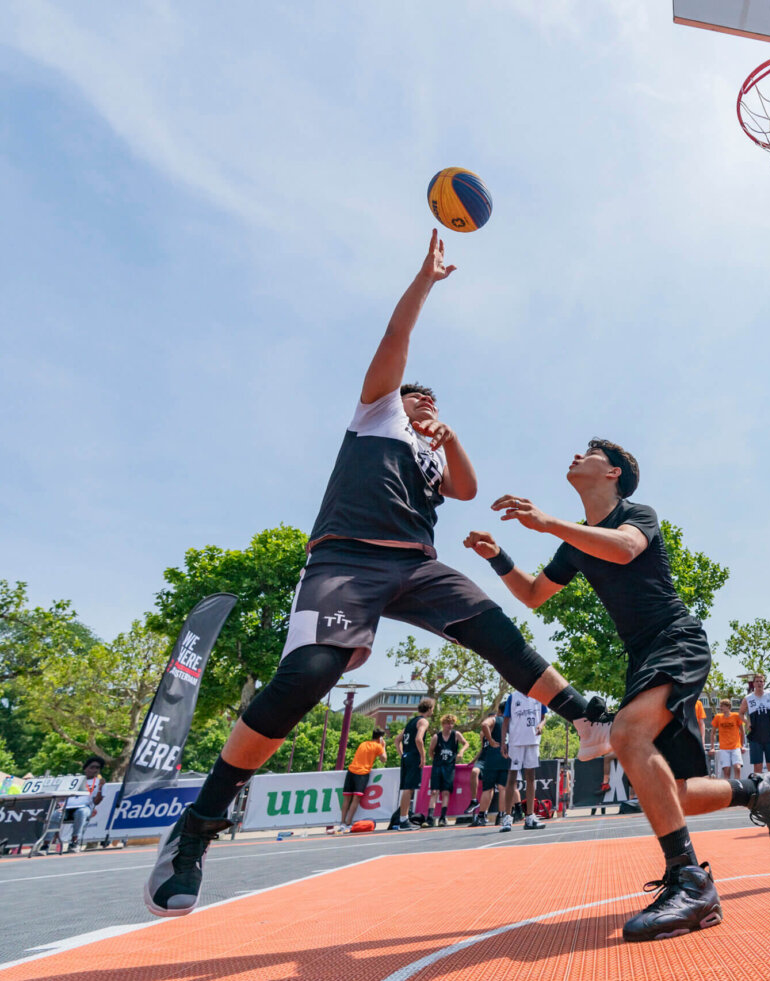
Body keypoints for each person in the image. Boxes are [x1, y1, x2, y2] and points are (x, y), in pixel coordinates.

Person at [145, 233, 610, 918]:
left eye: (430, 408)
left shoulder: (427, 457)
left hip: (415, 566)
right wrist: (424, 281)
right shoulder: (376, 412)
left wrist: (447, 436)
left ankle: (586, 718)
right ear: (401, 399)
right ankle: (198, 825)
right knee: (306, 677)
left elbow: (466, 488)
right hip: (345, 559)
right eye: (419, 403)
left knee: (494, 629)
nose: (426, 410)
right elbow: (397, 333)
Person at [463, 439, 770, 942]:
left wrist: (548, 522)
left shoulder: (636, 514)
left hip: (677, 641)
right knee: (672, 792)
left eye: (588, 453)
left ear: (613, 471)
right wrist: (498, 556)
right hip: (642, 659)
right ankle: (759, 790)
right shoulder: (574, 542)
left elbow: (624, 549)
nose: (575, 456)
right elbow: (534, 595)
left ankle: (690, 882)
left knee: (625, 735)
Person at [499, 689, 546, 832]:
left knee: (531, 777)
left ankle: (530, 816)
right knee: (512, 778)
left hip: (532, 741)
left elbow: (544, 717)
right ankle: (507, 817)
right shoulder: (513, 697)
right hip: (516, 742)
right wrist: (503, 743)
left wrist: (541, 725)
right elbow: (505, 721)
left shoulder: (539, 696)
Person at [390, 698, 432, 830]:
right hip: (414, 756)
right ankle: (403, 819)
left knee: (408, 788)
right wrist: (423, 756)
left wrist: (402, 754)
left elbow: (397, 740)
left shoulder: (410, 722)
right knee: (409, 789)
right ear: (430, 709)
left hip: (407, 756)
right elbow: (419, 739)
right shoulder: (423, 721)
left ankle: (404, 817)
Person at [335, 729, 386, 833]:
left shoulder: (363, 744)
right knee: (356, 799)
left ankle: (342, 822)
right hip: (362, 773)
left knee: (346, 798)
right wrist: (383, 746)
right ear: (380, 738)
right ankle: (349, 823)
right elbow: (384, 759)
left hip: (351, 771)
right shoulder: (377, 746)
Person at [467, 711, 509, 827]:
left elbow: (484, 724)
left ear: (498, 712)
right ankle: (501, 816)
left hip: (491, 758)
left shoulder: (495, 721)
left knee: (488, 788)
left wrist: (490, 740)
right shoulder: (511, 721)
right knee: (502, 788)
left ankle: (482, 816)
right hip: (505, 756)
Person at [740, 674, 770, 775]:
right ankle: (758, 790)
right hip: (755, 736)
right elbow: (741, 713)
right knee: (757, 766)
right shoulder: (748, 698)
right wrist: (747, 722)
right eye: (757, 681)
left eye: (761, 681)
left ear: (764, 683)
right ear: (754, 683)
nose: (759, 683)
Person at [60, 756, 105, 853]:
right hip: (68, 807)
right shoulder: (76, 780)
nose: (95, 770)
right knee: (55, 814)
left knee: (81, 812)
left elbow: (96, 802)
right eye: (92, 767)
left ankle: (74, 842)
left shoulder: (99, 782)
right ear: (86, 769)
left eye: (98, 768)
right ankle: (45, 845)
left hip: (85, 808)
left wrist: (100, 788)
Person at [426, 715, 465, 827]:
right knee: (434, 792)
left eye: (452, 723)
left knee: (446, 792)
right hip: (438, 766)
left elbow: (466, 743)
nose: (450, 725)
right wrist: (436, 761)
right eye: (448, 723)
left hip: (449, 767)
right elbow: (430, 751)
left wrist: (461, 751)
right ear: (443, 724)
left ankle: (443, 818)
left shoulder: (456, 734)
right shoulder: (436, 737)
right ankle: (430, 818)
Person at [709, 699, 745, 780]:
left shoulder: (736, 716)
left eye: (722, 706)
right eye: (720, 706)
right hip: (724, 748)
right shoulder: (718, 717)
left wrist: (742, 746)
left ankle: (738, 786)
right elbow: (712, 733)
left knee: (737, 767)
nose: (720, 707)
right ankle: (728, 789)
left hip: (735, 746)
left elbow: (742, 731)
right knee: (726, 770)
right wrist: (712, 747)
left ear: (728, 707)